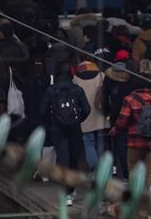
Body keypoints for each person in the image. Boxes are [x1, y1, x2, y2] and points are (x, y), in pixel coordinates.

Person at [39, 65, 91, 205]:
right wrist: (78, 120)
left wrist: (52, 121)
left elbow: (42, 111)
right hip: (74, 129)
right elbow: (87, 109)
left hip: (58, 129)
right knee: (73, 159)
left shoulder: (51, 90)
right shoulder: (78, 90)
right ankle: (72, 189)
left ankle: (67, 193)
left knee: (63, 160)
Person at [114, 76, 151, 189]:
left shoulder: (130, 99)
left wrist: (116, 130)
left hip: (134, 142)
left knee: (133, 170)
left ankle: (136, 197)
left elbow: (122, 122)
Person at [74, 60, 107, 172]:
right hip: (100, 115)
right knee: (101, 142)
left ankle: (94, 167)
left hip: (85, 116)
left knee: (88, 142)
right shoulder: (102, 76)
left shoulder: (76, 79)